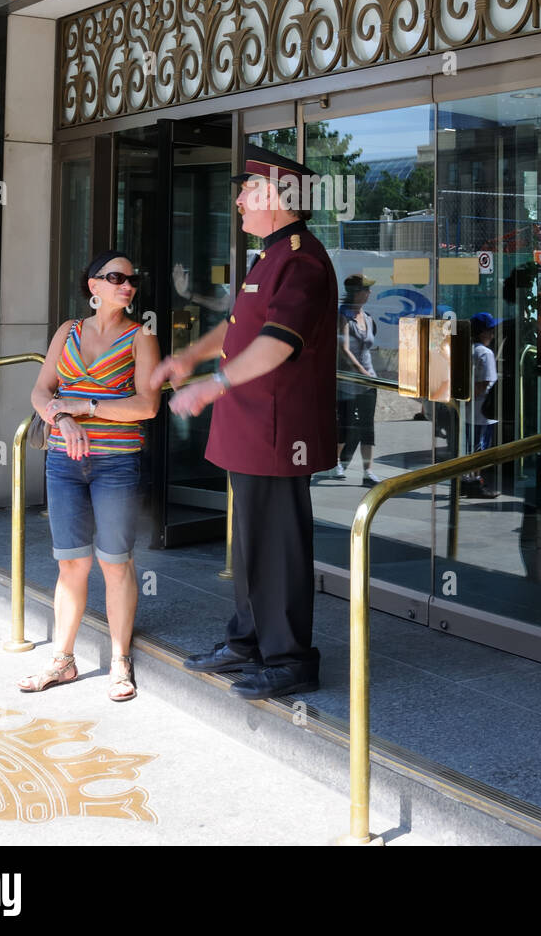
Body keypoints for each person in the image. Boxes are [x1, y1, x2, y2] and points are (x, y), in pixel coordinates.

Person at [152, 144, 337, 701]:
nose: (238, 199)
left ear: (280, 201)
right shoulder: (271, 256)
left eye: (249, 191)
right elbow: (239, 328)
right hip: (252, 427)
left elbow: (278, 344)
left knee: (277, 545)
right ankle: (248, 641)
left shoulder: (302, 260)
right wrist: (192, 357)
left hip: (279, 431)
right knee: (250, 543)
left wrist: (214, 386)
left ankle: (291, 658)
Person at [18, 251, 160, 701]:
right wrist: (62, 420)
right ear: (93, 285)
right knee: (70, 563)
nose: (128, 285)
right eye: (116, 277)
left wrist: (87, 406)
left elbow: (147, 406)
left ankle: (120, 660)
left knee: (114, 562)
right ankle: (63, 659)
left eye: (132, 279)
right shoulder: (69, 331)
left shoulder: (142, 337)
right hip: (63, 460)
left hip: (116, 462)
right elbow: (42, 390)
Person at [336, 274, 379, 485]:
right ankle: (335, 461)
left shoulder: (369, 318)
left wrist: (369, 374)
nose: (369, 293)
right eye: (366, 289)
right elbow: (343, 349)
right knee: (345, 423)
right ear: (356, 293)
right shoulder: (343, 316)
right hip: (348, 380)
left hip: (369, 381)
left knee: (367, 426)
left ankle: (367, 472)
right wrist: (361, 371)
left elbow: (369, 347)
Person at [462, 312, 500, 498]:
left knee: (470, 446)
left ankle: (468, 479)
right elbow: (484, 383)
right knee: (480, 449)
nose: (493, 334)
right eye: (490, 330)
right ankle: (475, 481)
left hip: (469, 410)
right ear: (483, 332)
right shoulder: (485, 353)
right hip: (482, 410)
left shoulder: (468, 349)